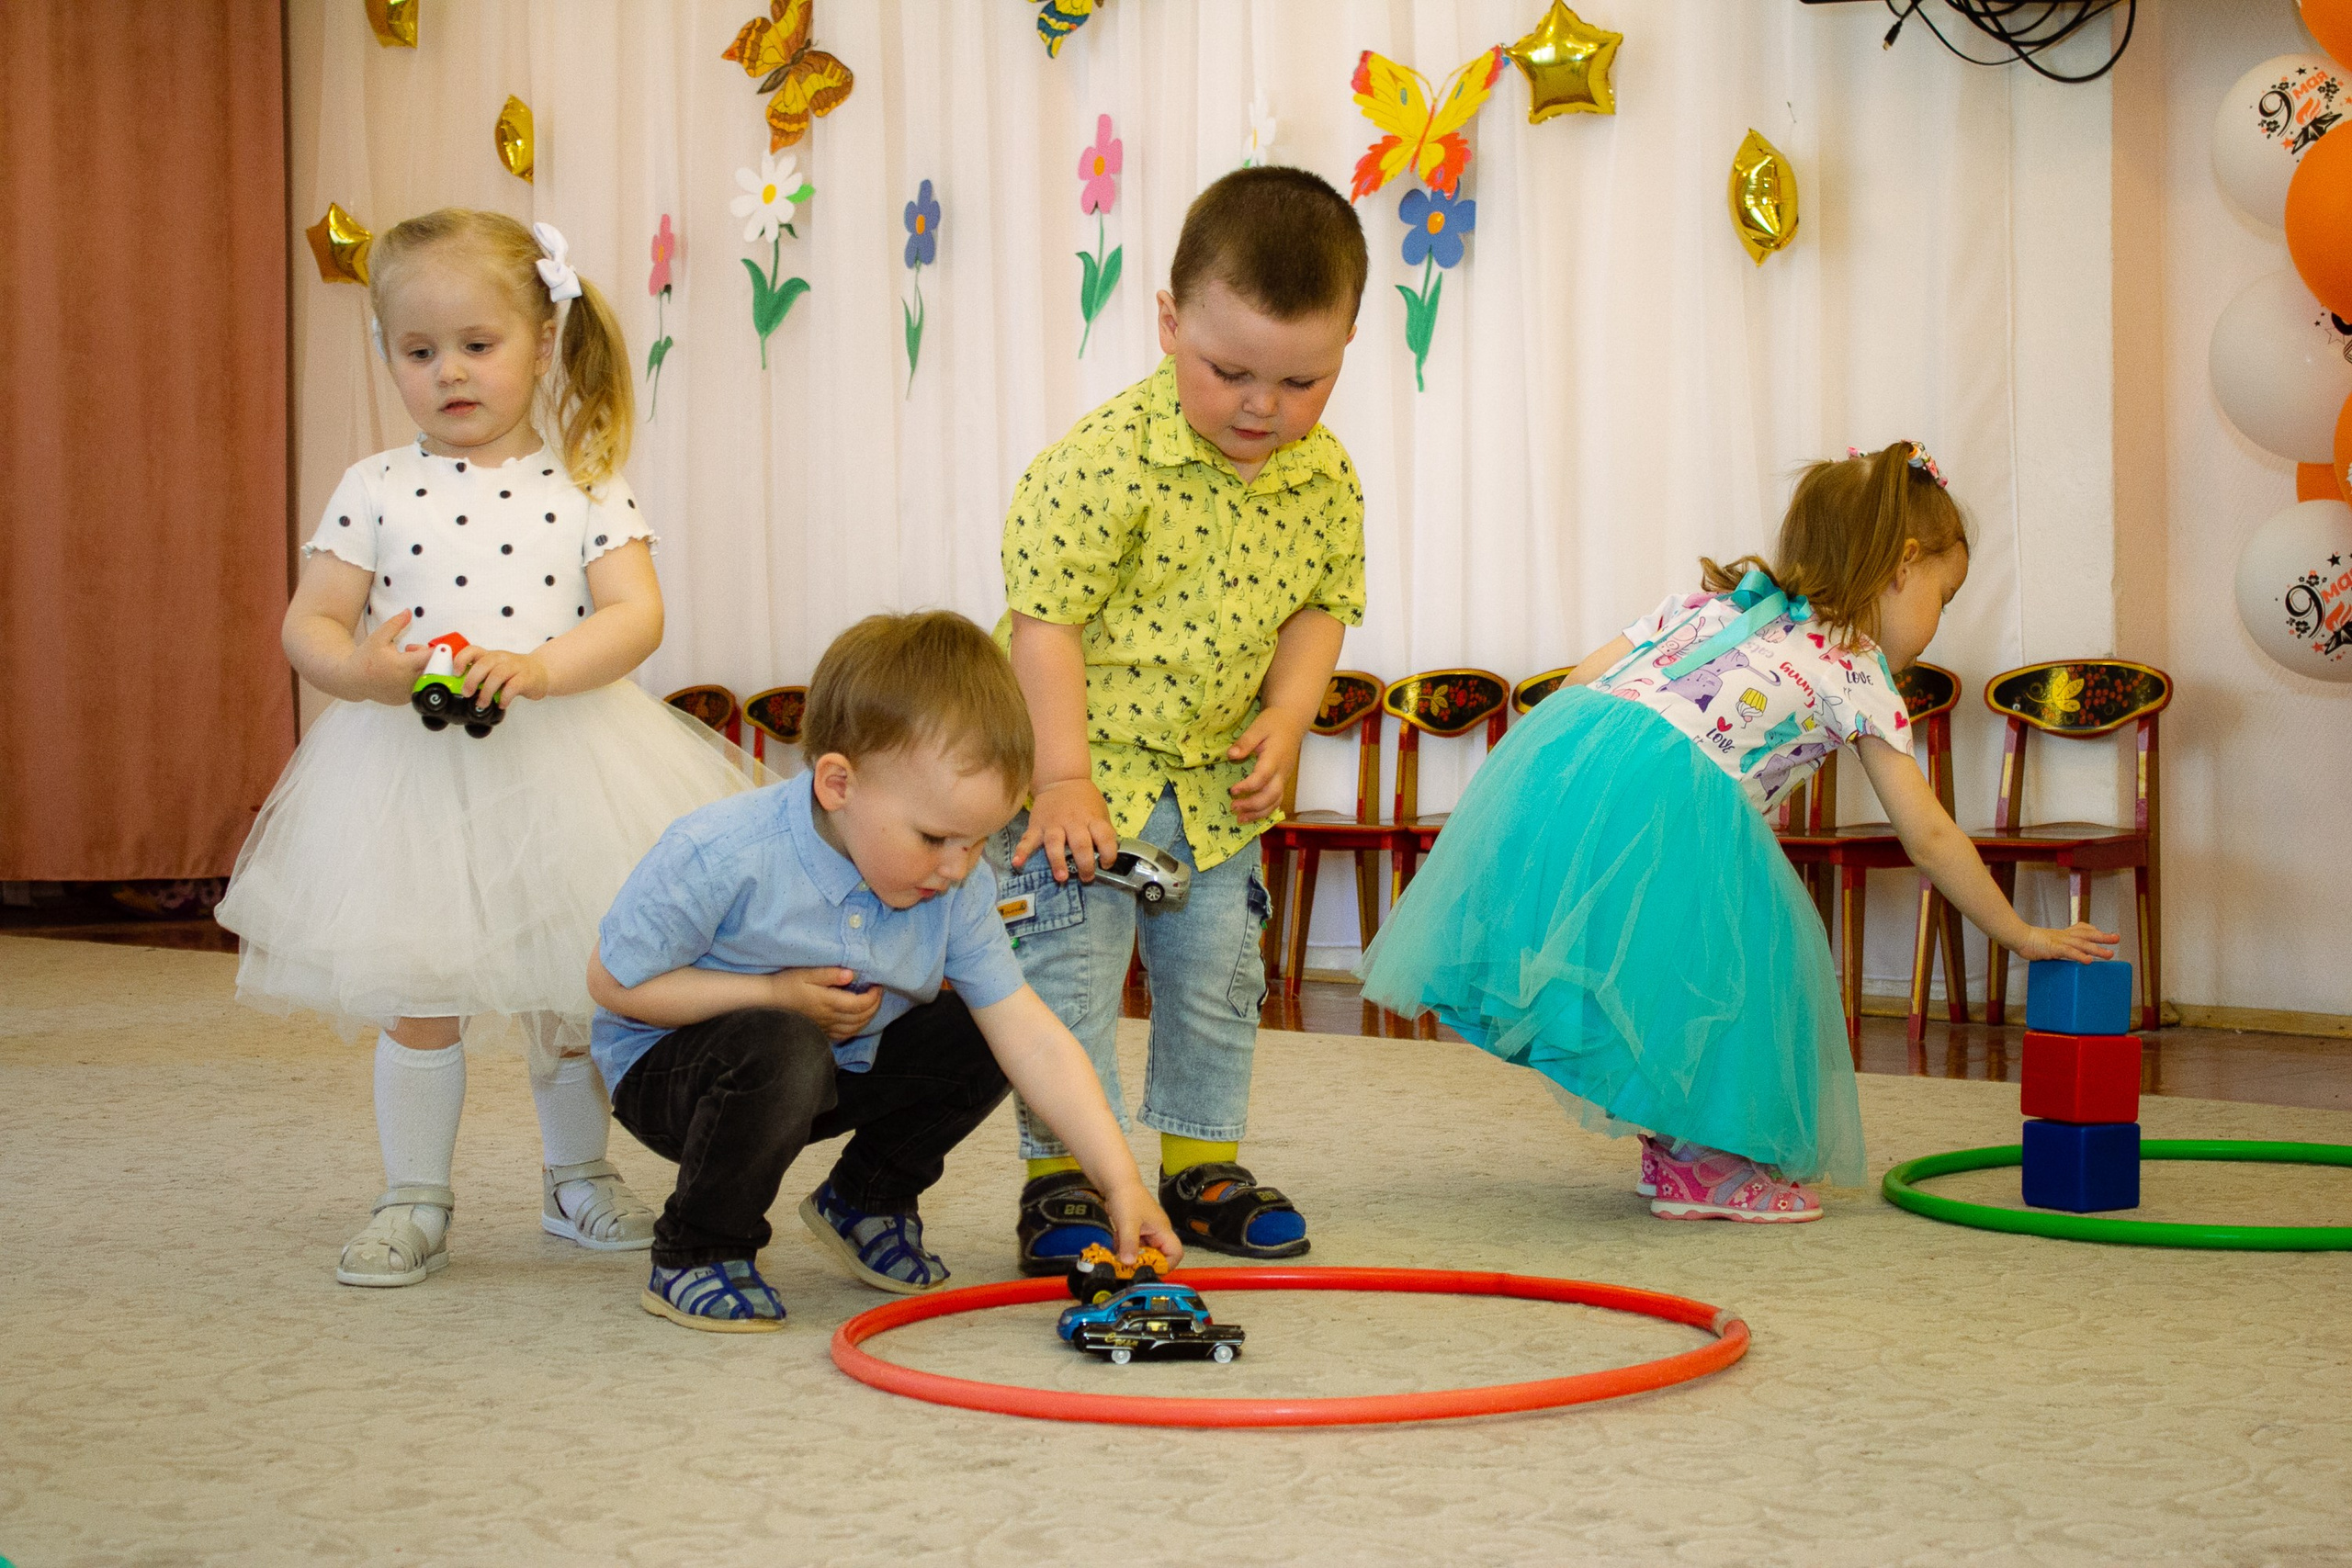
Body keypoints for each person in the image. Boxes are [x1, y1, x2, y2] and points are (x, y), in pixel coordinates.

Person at [1360, 443, 2117, 1222]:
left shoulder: (1710, 603)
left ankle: (1679, 1147)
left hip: (1573, 758)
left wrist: (1585, 783)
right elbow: (1928, 834)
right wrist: (2021, 933)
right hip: (1676, 801)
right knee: (1744, 969)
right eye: (1944, 596)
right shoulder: (1854, 670)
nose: (1937, 621)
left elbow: (1582, 681)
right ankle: (1709, 1166)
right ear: (1902, 564)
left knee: (1644, 971)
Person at [216, 209, 761, 1286]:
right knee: (422, 992)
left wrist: (546, 666)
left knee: (571, 991)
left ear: (543, 343)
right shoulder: (374, 485)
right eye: (419, 353)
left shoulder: (587, 478)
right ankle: (413, 1193)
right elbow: (307, 627)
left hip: (565, 764)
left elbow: (634, 616)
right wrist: (361, 671)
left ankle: (578, 1178)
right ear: (387, 357)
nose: (449, 373)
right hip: (410, 778)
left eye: (478, 345)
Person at [587, 612, 1182, 1331]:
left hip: (831, 1066)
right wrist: (773, 993)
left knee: (983, 1029)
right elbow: (613, 983)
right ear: (839, 783)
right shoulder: (720, 853)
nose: (957, 867)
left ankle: (866, 1200)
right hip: (672, 1074)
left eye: (978, 842)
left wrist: (1120, 1181)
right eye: (935, 837)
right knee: (784, 1043)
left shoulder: (956, 883)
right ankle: (698, 1249)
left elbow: (1034, 1038)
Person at [993, 166, 1369, 1272]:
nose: (1264, 405)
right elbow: (1044, 624)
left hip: (1215, 783)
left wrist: (1290, 716)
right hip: (1083, 774)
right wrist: (1059, 776)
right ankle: (1061, 1180)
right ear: (1168, 324)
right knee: (1068, 979)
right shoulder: (1099, 464)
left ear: (1347, 347)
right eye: (1230, 371)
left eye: (1303, 380)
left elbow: (1321, 604)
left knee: (1216, 974)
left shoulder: (1325, 477)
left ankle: (1202, 1166)